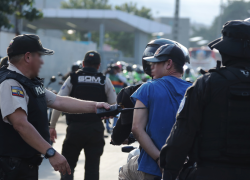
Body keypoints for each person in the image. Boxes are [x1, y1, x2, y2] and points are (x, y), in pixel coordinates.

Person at [0, 34, 111, 180]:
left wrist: (96, 106)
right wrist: (51, 152)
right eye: (39, 56)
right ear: (28, 57)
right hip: (11, 167)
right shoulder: (10, 83)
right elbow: (21, 124)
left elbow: (58, 101)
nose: (42, 62)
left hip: (23, 163)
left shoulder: (28, 82)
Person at [160, 20, 250, 180]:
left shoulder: (207, 84)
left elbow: (182, 136)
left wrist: (169, 173)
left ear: (226, 51)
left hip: (211, 173)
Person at [119, 42, 191, 180]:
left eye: (156, 62)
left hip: (153, 169)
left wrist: (159, 159)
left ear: (168, 64)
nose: (151, 66)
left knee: (125, 171)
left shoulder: (148, 88)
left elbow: (136, 128)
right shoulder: (195, 89)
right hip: (187, 169)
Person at [49, 51, 117, 180]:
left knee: (67, 168)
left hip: (75, 129)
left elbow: (58, 102)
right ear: (99, 66)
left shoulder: (73, 78)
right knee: (92, 169)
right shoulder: (104, 80)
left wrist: (52, 126)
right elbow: (114, 105)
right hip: (96, 130)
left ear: (83, 64)